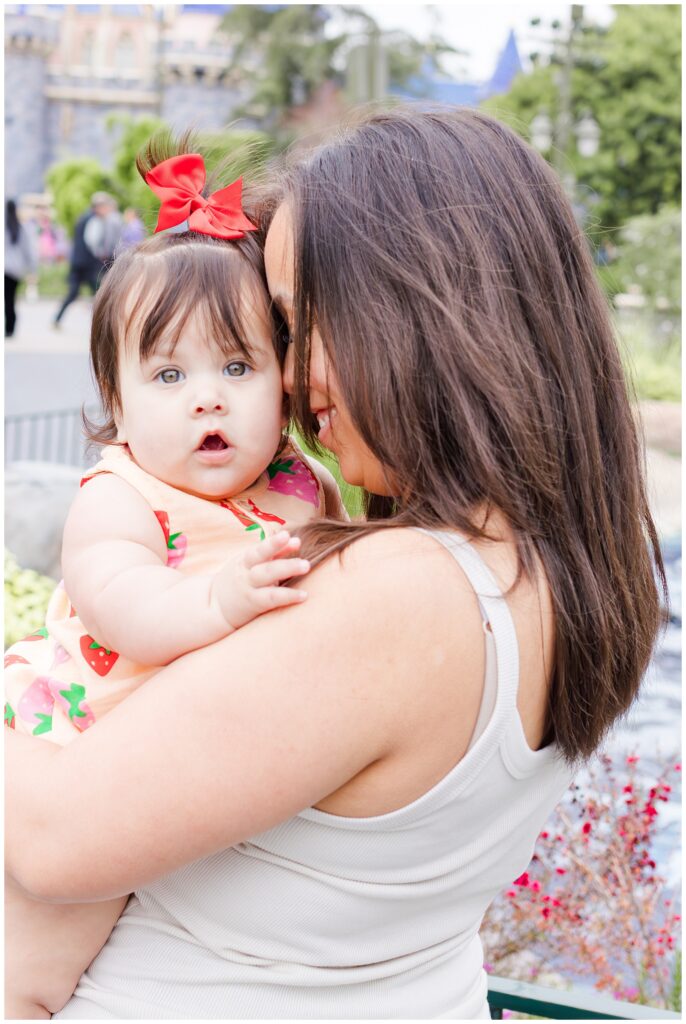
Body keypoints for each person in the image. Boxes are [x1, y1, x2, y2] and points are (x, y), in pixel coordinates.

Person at [5, 107, 663, 1020]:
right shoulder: (567, 567)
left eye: (297, 323)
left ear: (421, 317)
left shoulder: (403, 598)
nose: (287, 372)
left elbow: (48, 840)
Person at [5, 149, 345, 1019]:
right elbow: (121, 604)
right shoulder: (122, 495)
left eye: (238, 369)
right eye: (168, 376)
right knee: (37, 964)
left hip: (187, 770)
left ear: (286, 378)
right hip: (78, 746)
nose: (208, 400)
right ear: (116, 400)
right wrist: (216, 603)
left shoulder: (300, 489)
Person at [53, 193, 119, 328]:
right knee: (99, 293)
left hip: (78, 261)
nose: (107, 210)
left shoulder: (84, 217)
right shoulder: (94, 219)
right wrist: (101, 255)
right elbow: (92, 241)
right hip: (88, 263)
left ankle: (57, 319)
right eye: (105, 207)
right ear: (99, 207)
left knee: (76, 293)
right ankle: (105, 324)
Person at [4, 199, 37, 338]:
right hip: (14, 271)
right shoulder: (20, 228)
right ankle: (10, 328)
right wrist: (32, 270)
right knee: (10, 300)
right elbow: (29, 251)